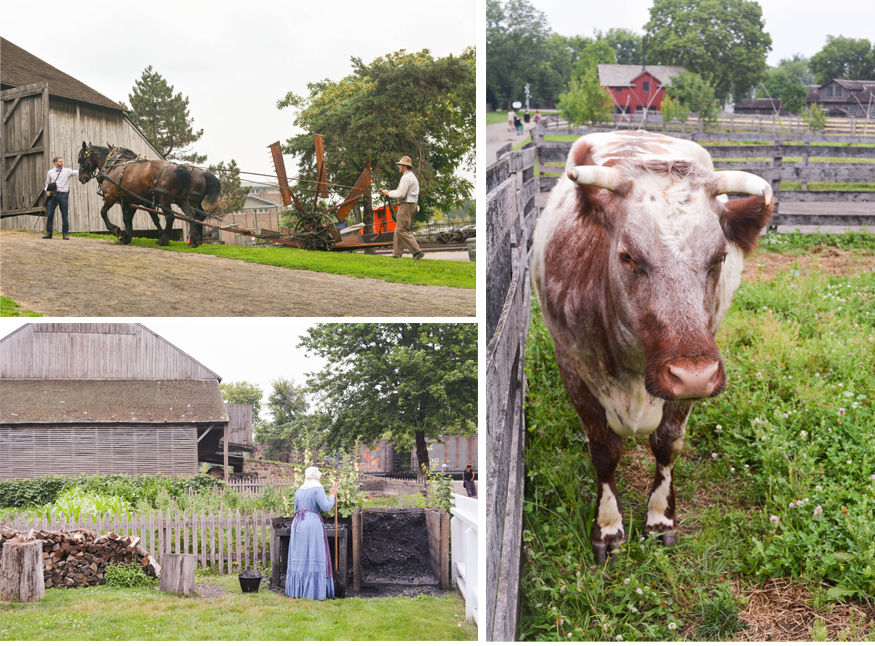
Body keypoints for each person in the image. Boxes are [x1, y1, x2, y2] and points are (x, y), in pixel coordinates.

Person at [285, 466, 339, 600]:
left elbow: (296, 509)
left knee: (300, 556)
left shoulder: (299, 490)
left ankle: (298, 590)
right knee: (313, 554)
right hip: (312, 524)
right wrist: (332, 495)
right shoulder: (317, 488)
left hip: (298, 523)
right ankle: (314, 591)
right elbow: (326, 508)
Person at [379, 156, 424, 260]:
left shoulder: (406, 177)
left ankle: (417, 252)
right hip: (411, 205)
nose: (398, 166)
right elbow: (401, 192)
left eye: (400, 165)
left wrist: (388, 193)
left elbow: (401, 194)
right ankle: (396, 254)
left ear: (404, 166)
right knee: (398, 229)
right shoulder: (410, 176)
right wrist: (387, 193)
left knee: (402, 229)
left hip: (406, 205)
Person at [43, 156, 79, 239]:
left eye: (62, 161)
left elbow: (77, 172)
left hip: (63, 194)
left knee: (64, 214)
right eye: (60, 161)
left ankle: (65, 233)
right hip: (53, 195)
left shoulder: (67, 171)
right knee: (50, 213)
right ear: (55, 163)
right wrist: (47, 190)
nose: (62, 163)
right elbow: (47, 183)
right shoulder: (50, 172)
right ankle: (49, 233)